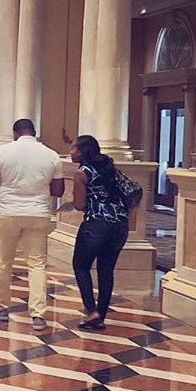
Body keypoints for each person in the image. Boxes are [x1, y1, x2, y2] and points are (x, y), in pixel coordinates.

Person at [0, 118, 65, 330]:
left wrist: (9, 181)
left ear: (15, 132)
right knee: (36, 264)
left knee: (3, 261)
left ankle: (1, 308)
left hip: (8, 212)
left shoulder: (2, 152)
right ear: (34, 132)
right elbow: (58, 191)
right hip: (38, 213)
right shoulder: (51, 155)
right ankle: (38, 315)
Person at [70, 133, 131, 330]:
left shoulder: (82, 174)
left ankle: (91, 311)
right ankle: (100, 316)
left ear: (82, 152)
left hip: (96, 224)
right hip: (120, 225)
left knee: (81, 266)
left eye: (73, 148)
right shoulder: (110, 169)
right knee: (106, 270)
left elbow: (79, 205)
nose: (71, 152)